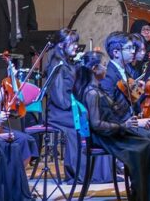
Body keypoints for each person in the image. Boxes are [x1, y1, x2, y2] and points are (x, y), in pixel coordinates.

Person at [74, 50, 150, 201]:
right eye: (103, 65)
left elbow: (111, 111)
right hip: (104, 137)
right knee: (146, 145)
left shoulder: (97, 88)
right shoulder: (92, 93)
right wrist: (124, 126)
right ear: (95, 69)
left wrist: (133, 100)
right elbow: (96, 124)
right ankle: (142, 196)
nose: (106, 68)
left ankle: (148, 194)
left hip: (110, 132)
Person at [44, 28, 114, 183]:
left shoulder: (68, 63)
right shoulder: (57, 66)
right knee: (85, 122)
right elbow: (60, 99)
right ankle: (80, 174)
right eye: (72, 43)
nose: (76, 46)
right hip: (59, 112)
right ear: (61, 45)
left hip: (70, 108)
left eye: (76, 42)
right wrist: (81, 108)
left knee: (98, 118)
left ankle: (101, 173)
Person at [99, 31, 150, 163]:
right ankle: (141, 174)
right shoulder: (108, 76)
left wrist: (140, 89)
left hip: (133, 123)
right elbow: (107, 113)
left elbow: (133, 102)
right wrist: (135, 123)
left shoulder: (127, 71)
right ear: (116, 53)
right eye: (129, 48)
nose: (133, 51)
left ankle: (145, 174)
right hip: (121, 127)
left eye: (133, 48)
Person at [0, 31, 38, 201]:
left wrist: (0, 110)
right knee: (12, 144)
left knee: (27, 140)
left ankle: (12, 187)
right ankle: (2, 190)